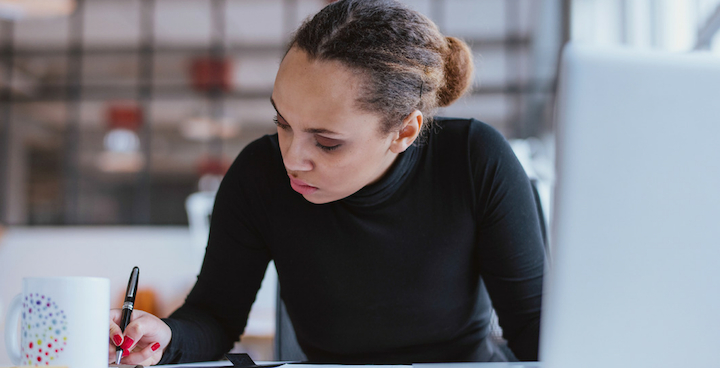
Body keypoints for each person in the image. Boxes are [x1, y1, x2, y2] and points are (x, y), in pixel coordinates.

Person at [108, 0, 546, 365]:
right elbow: (215, 315)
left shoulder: (474, 159)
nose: (293, 159)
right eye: (283, 124)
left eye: (327, 142)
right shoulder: (259, 174)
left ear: (404, 132)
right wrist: (164, 337)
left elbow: (535, 326)